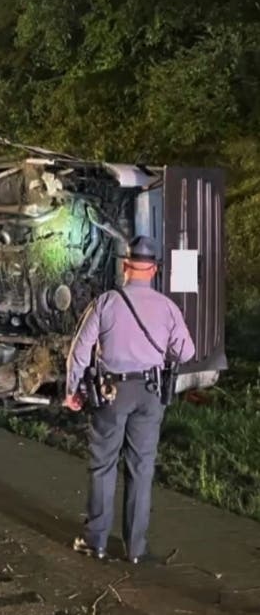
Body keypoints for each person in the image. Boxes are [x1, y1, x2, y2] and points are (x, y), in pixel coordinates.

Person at [64, 235, 195, 564]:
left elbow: (79, 353)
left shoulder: (107, 302)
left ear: (125, 266)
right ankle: (135, 549)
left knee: (103, 465)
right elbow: (186, 351)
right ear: (153, 270)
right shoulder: (167, 307)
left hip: (111, 393)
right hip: (150, 395)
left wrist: (71, 391)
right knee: (141, 468)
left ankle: (96, 542)